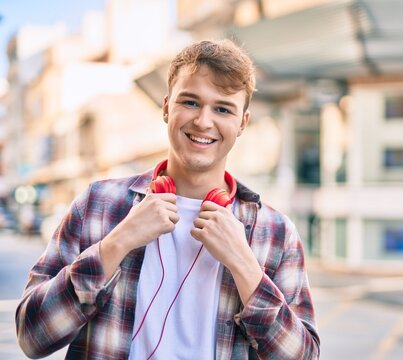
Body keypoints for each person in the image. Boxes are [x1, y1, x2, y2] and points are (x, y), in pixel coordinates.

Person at [15, 39, 320, 359]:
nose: (203, 121)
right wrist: (115, 244)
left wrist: (245, 267)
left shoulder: (275, 232)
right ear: (166, 108)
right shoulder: (98, 204)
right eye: (190, 102)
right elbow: (32, 337)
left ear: (242, 123)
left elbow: (304, 356)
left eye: (222, 109)